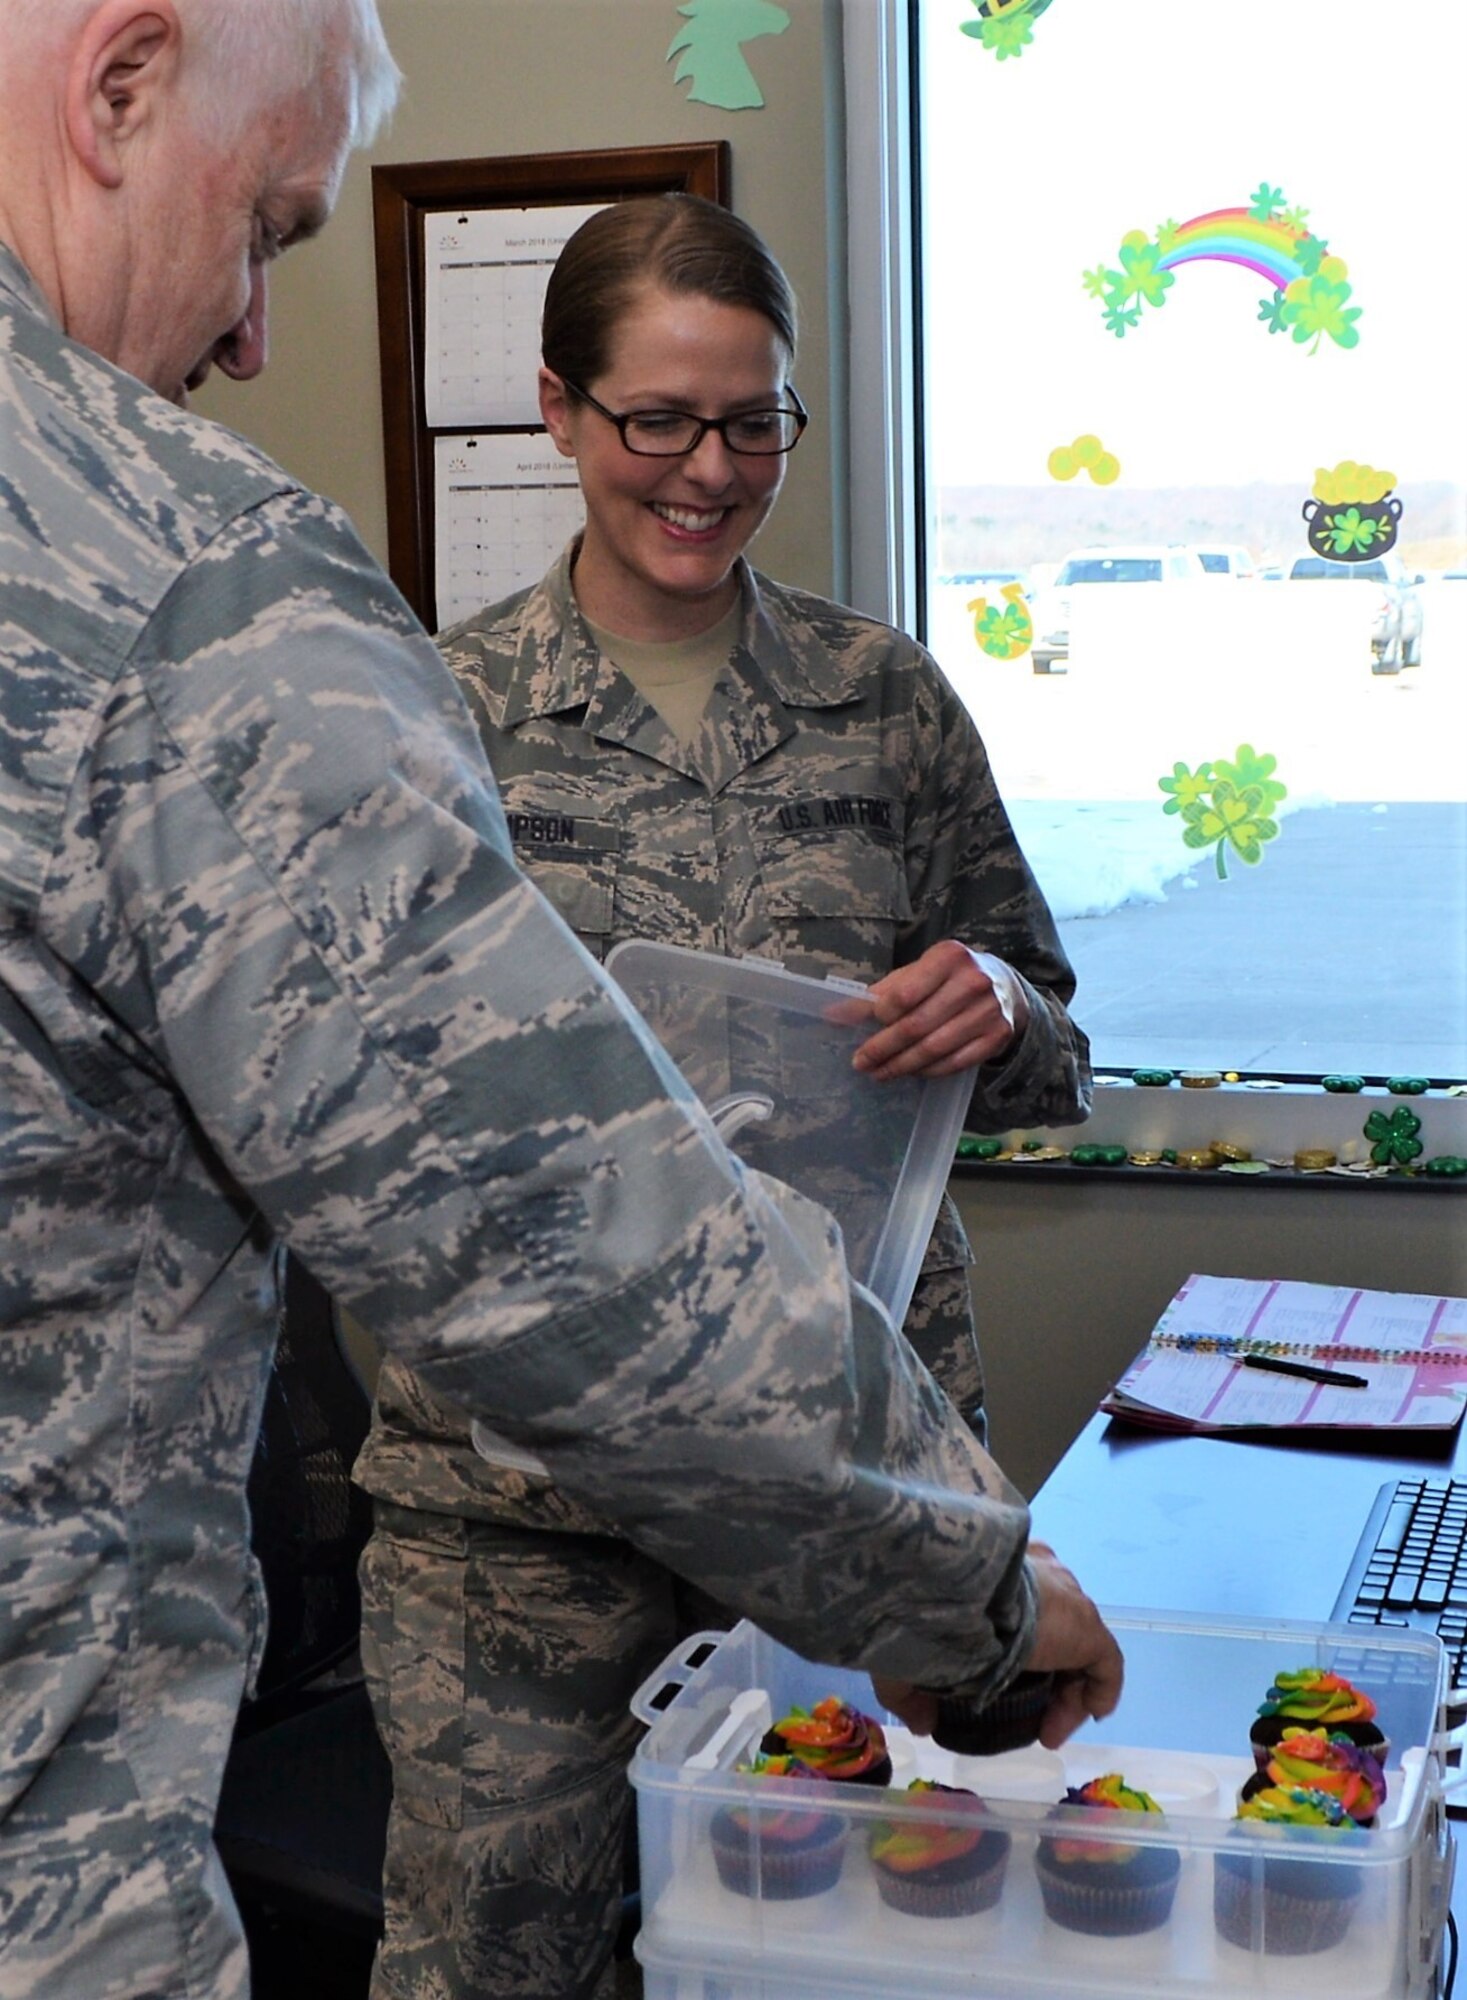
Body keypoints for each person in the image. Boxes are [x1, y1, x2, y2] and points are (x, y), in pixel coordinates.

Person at [355, 194, 1094, 2000]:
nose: (708, 470)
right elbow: (344, 1111)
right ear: (558, 411)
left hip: (838, 1484)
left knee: (856, 1952)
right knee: (496, 1971)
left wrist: (997, 1008)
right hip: (519, 1525)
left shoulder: (884, 702)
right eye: (658, 421)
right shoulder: (431, 718)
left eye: (753, 421)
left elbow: (1054, 1050)